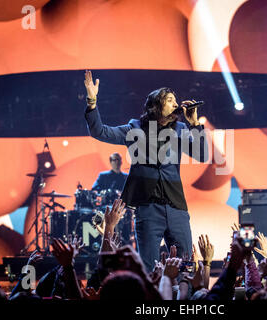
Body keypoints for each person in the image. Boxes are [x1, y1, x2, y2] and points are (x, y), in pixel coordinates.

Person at [83, 70, 208, 272]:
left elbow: (202, 155)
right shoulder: (135, 128)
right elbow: (100, 131)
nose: (176, 104)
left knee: (186, 266)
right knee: (149, 269)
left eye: (175, 101)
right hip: (148, 209)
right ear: (155, 106)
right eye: (169, 100)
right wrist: (91, 102)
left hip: (176, 207)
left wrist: (195, 125)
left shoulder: (181, 129)